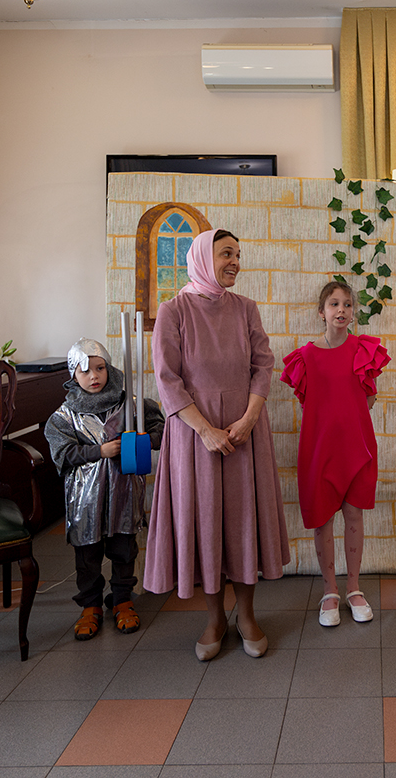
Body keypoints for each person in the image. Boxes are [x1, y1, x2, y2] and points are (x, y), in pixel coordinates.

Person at [144, 228, 290, 661]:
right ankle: (214, 618)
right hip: (195, 437)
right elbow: (167, 379)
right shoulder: (174, 310)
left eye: (238, 255)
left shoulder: (246, 308)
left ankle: (246, 615)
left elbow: (263, 366)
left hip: (245, 432)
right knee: (205, 522)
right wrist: (205, 430)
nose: (235, 262)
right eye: (227, 253)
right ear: (204, 258)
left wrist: (249, 419)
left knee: (243, 522)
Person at [280, 281, 390, 627]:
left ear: (353, 312)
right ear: (321, 312)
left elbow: (368, 399)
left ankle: (354, 588)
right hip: (319, 449)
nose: (341, 310)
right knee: (323, 518)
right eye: (333, 304)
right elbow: (308, 403)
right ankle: (330, 590)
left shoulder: (363, 351)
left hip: (355, 446)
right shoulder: (305, 357)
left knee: (354, 514)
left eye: (347, 304)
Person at [44, 338, 164, 640]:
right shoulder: (64, 416)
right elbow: (62, 454)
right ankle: (90, 606)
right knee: (88, 554)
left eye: (100, 368)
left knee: (124, 549)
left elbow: (161, 431)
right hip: (85, 498)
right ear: (73, 376)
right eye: (85, 371)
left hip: (124, 492)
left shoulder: (130, 405)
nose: (94, 376)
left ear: (109, 368)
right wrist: (99, 451)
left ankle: (122, 600)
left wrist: (139, 441)